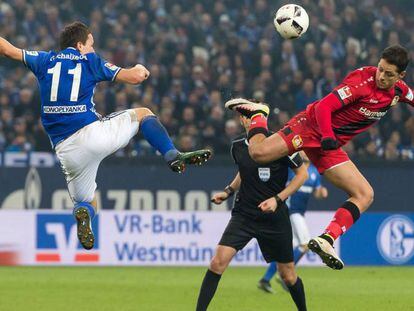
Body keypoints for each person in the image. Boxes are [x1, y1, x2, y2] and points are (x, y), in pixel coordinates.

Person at [0, 21, 211, 250]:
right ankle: (172, 154)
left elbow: (6, 49)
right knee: (143, 114)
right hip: (93, 134)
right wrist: (141, 68)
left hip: (66, 151)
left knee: (86, 203)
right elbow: (134, 77)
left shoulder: (43, 60)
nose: (92, 48)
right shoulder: (90, 61)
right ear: (80, 45)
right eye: (90, 44)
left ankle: (85, 215)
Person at [225, 44, 414, 270]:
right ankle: (259, 114)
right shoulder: (361, 82)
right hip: (312, 127)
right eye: (380, 69)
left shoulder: (399, 90)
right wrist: (326, 136)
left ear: (400, 76)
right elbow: (324, 106)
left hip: (328, 144)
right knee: (258, 153)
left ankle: (327, 239)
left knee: (364, 194)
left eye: (388, 74)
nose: (381, 76)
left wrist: (328, 140)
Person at [196, 116, 308, 311]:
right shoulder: (238, 146)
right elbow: (244, 171)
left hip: (274, 217)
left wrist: (277, 199)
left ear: (263, 120)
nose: (250, 121)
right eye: (247, 116)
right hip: (244, 214)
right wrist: (228, 191)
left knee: (288, 276)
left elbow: (302, 175)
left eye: (255, 116)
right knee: (217, 263)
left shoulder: (281, 143)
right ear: (242, 120)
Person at [258, 152, 328, 293]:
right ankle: (283, 273)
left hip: (299, 213)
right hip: (291, 212)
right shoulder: (293, 169)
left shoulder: (314, 171)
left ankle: (265, 280)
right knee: (305, 244)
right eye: (303, 149)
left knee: (287, 251)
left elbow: (317, 193)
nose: (305, 152)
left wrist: (321, 192)